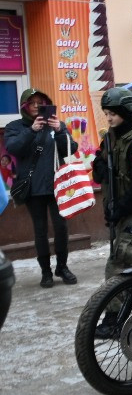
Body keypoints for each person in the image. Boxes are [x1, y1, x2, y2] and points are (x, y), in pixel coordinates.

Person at [4, 89, 78, 287]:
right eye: (32, 102)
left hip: (57, 186)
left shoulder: (56, 125)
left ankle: (62, 267)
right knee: (40, 230)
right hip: (33, 189)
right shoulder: (15, 127)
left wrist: (61, 131)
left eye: (41, 102)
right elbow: (13, 148)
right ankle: (46, 272)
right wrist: (32, 131)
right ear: (24, 106)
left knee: (61, 227)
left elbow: (72, 148)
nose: (37, 106)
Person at [92, 87, 132, 279]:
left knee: (120, 261)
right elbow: (98, 160)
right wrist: (102, 168)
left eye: (112, 113)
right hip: (119, 208)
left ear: (124, 111)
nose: (109, 118)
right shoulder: (111, 138)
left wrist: (121, 208)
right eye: (106, 114)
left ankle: (114, 308)